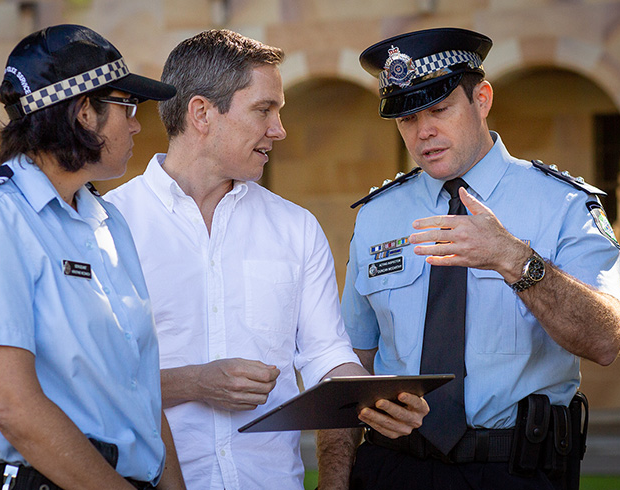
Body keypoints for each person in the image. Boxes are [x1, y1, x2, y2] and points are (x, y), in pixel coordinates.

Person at [104, 29, 429, 490]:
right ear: (201, 113)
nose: (279, 129)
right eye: (264, 110)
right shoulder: (107, 226)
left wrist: (374, 398)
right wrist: (196, 383)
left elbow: (326, 354)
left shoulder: (295, 228)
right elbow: (88, 378)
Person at [340, 27, 620, 489]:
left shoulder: (561, 205)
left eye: (439, 109)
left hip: (513, 469)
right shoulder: (378, 215)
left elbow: (605, 341)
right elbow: (349, 356)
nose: (424, 132)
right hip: (393, 467)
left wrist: (513, 259)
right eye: (407, 119)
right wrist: (335, 478)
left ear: (482, 98)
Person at [0, 24, 185, 490]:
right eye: (126, 106)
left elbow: (137, 390)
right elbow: (9, 402)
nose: (136, 124)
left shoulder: (108, 220)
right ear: (85, 112)